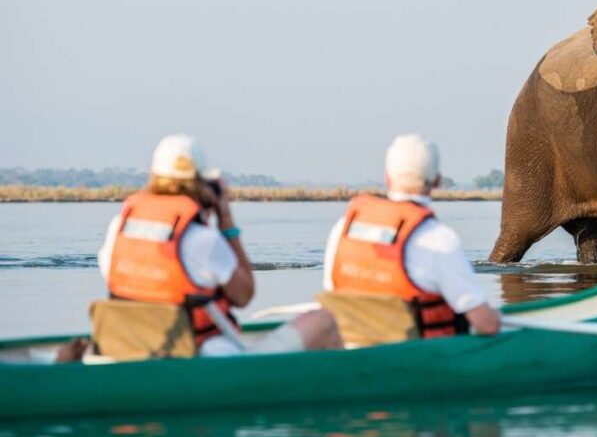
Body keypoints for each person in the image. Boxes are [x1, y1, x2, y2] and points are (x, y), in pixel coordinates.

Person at [98, 134, 341, 356]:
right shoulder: (204, 240)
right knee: (324, 321)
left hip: (130, 346)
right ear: (203, 184)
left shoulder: (119, 229)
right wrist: (226, 221)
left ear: (153, 175)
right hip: (198, 353)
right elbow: (244, 295)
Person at [323, 134, 501, 337]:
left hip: (352, 344)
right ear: (437, 181)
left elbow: (332, 292)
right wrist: (493, 317)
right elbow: (486, 325)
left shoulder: (344, 228)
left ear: (387, 177)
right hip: (419, 351)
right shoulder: (438, 239)